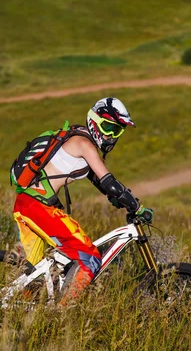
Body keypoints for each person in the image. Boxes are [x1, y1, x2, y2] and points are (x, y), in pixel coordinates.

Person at [10, 97, 154, 303]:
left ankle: (17, 308)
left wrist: (117, 198)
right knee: (91, 258)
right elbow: (108, 181)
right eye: (109, 128)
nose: (111, 136)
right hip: (38, 208)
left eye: (117, 131)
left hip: (25, 204)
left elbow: (99, 182)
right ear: (94, 121)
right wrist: (137, 206)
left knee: (32, 273)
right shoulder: (84, 144)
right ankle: (62, 315)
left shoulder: (77, 137)